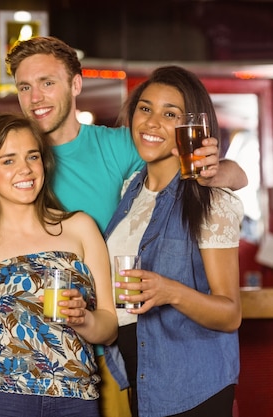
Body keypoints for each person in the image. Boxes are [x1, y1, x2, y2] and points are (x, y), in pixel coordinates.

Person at [0, 36, 247, 417]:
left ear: (75, 85)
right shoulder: (6, 155)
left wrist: (225, 171)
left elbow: (182, 164)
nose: (36, 97)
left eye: (47, 83)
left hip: (105, 357)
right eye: (25, 86)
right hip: (44, 369)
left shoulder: (123, 145)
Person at [0, 113, 118, 417]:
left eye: (32, 156)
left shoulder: (80, 227)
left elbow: (109, 328)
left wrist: (84, 320)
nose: (25, 169)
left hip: (74, 399)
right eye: (8, 161)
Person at [104, 65, 242, 417]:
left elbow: (230, 314)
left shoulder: (212, 200)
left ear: (190, 127)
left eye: (170, 114)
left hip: (194, 385)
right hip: (142, 376)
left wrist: (170, 292)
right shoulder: (130, 189)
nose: (152, 123)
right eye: (146, 108)